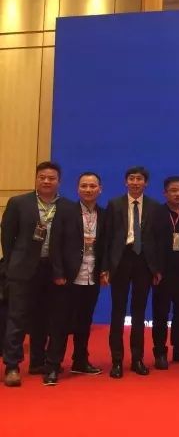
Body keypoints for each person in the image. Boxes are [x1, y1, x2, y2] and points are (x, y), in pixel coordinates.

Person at [1, 161, 71, 387]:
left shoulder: (67, 206)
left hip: (52, 269)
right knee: (17, 317)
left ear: (59, 181)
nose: (46, 181)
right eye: (42, 177)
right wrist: (11, 265)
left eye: (51, 178)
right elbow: (7, 238)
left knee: (44, 317)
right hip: (23, 269)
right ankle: (12, 366)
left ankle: (38, 362)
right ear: (36, 179)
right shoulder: (19, 203)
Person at [45, 172, 106, 385]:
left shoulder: (104, 214)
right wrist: (58, 273)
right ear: (77, 189)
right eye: (84, 186)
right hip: (68, 277)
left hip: (91, 276)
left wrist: (105, 270)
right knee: (60, 323)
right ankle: (52, 366)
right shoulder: (65, 211)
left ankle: (80, 361)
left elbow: (106, 246)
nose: (88, 190)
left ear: (100, 189)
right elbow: (55, 244)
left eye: (92, 186)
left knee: (84, 322)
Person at [102, 166, 161, 378]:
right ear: (125, 182)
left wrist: (157, 268)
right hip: (120, 260)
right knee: (117, 312)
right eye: (132, 179)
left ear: (146, 183)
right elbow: (107, 238)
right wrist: (105, 267)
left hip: (143, 262)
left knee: (139, 313)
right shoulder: (114, 204)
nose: (135, 182)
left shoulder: (154, 206)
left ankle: (137, 359)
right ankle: (117, 361)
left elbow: (158, 240)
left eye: (139, 179)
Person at [151, 176, 179, 369]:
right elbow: (150, 245)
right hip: (162, 274)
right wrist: (155, 270)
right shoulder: (156, 214)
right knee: (160, 315)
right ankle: (160, 353)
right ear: (165, 193)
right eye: (173, 190)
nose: (178, 194)